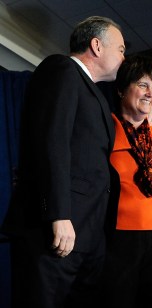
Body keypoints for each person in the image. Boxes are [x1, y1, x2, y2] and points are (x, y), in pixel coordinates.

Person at [0, 16, 126, 308]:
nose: (123, 56)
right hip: (56, 233)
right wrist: (58, 214)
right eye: (120, 48)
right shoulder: (62, 69)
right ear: (96, 46)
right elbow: (52, 141)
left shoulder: (94, 93)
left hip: (88, 234)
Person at [101, 54, 152, 308]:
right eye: (143, 85)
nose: (151, 93)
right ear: (122, 90)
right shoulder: (106, 129)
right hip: (124, 237)